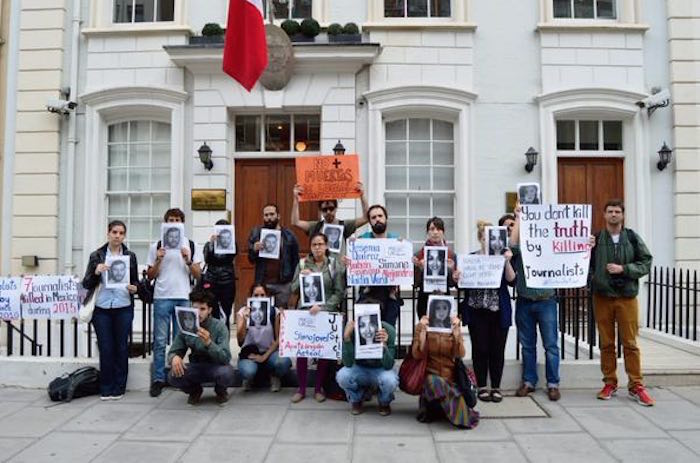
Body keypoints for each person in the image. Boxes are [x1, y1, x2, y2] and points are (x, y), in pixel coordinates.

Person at [590, 199, 654, 406]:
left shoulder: (632, 238)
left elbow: (646, 262)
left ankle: (636, 385)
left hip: (626, 297)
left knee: (630, 343)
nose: (614, 215)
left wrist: (624, 269)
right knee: (606, 343)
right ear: (604, 215)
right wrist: (587, 249)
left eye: (617, 211)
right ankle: (610, 382)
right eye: (610, 211)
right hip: (602, 297)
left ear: (623, 215)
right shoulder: (597, 239)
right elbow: (582, 263)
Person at [147, 208, 203, 397]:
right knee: (160, 340)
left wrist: (188, 260)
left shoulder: (191, 245)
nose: (174, 222)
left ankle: (178, 376)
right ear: (165, 222)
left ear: (182, 223)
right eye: (170, 220)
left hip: (183, 296)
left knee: (183, 339)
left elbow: (198, 275)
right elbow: (150, 276)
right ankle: (158, 379)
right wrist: (158, 260)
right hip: (162, 295)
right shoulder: (156, 246)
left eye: (177, 220)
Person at [81, 220, 139, 400]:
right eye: (114, 232)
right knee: (106, 348)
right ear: (108, 233)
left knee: (121, 347)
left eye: (121, 233)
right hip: (102, 307)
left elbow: (136, 280)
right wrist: (96, 271)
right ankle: (106, 387)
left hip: (123, 306)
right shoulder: (96, 255)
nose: (118, 236)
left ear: (124, 236)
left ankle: (119, 387)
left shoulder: (130, 255)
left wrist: (135, 288)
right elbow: (86, 284)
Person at [460, 220, 516, 403]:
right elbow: (461, 283)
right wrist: (457, 276)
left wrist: (507, 261)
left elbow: (512, 280)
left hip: (498, 311)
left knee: (497, 350)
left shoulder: (502, 258)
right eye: (485, 238)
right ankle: (482, 386)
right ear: (480, 239)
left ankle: (496, 387)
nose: (489, 241)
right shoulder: (471, 258)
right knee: (480, 349)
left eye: (492, 238)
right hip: (477, 311)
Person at [509, 204, 561, 401]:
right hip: (525, 301)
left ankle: (553, 384)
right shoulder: (525, 247)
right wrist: (519, 217)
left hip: (546, 301)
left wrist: (587, 243)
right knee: (527, 344)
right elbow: (512, 244)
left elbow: (572, 249)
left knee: (551, 345)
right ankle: (529, 381)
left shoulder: (554, 248)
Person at [289, 232, 346, 403]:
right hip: (305, 313)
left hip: (325, 313)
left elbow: (339, 292)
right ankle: (301, 389)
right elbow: (293, 288)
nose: (317, 248)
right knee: (302, 350)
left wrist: (323, 307)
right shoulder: (302, 263)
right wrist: (301, 278)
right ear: (310, 247)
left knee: (323, 351)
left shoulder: (333, 265)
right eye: (314, 245)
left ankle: (319, 388)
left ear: (327, 246)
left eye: (320, 244)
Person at [412, 313, 479, 429]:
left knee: (444, 385)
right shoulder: (424, 327)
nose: (441, 311)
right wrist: (421, 331)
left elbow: (460, 354)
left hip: (450, 382)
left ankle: (456, 411)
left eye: (444, 308)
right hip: (431, 384)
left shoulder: (451, 327)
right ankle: (460, 414)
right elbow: (417, 355)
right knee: (433, 381)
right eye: (437, 308)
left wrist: (457, 334)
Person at [168, 289, 234, 405]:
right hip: (196, 366)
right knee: (172, 376)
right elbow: (174, 350)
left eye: (202, 309)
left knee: (226, 373)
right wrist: (174, 357)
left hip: (215, 366)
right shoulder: (186, 326)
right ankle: (195, 391)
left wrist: (209, 343)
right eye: (195, 308)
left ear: (209, 310)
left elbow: (225, 357)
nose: (198, 313)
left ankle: (221, 391)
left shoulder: (219, 327)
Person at [337, 307, 398, 416]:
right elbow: (348, 363)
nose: (368, 330)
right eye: (363, 325)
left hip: (380, 369)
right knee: (342, 376)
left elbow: (389, 365)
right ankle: (356, 399)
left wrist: (384, 346)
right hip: (360, 368)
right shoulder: (352, 329)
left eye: (372, 324)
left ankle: (384, 401)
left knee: (391, 380)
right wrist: (346, 338)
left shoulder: (388, 330)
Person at [347, 204, 402, 326]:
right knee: (368, 330)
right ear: (370, 222)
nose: (377, 219)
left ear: (386, 218)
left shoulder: (396, 240)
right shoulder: (362, 240)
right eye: (373, 217)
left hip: (390, 293)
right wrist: (352, 252)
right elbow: (355, 266)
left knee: (388, 331)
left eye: (380, 216)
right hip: (368, 293)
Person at [237, 284, 291, 392]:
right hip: (250, 353)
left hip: (269, 352)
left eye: (262, 295)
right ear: (250, 296)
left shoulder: (274, 312)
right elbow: (240, 340)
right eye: (256, 295)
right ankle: (250, 378)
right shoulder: (242, 312)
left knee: (283, 362)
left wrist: (264, 357)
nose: (259, 298)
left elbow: (278, 339)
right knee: (248, 371)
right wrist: (244, 321)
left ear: (267, 297)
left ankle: (274, 376)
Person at [291, 182, 369, 254]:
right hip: (322, 268)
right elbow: (295, 222)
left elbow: (366, 218)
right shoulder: (315, 226)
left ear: (336, 208)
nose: (328, 212)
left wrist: (362, 196)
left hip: (339, 268)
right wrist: (296, 199)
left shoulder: (345, 225)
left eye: (331, 208)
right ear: (320, 211)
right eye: (325, 209)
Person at [247, 204, 300, 309]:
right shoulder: (256, 233)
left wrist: (294, 285)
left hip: (283, 284)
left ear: (278, 216)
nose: (269, 218)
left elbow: (296, 262)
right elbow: (251, 259)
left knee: (281, 316)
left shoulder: (289, 236)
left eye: (272, 214)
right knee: (263, 316)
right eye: (266, 215)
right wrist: (254, 249)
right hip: (263, 284)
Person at [413, 217, 457, 318]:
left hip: (444, 298)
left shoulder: (451, 255)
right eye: (432, 229)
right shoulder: (419, 255)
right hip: (425, 298)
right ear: (427, 232)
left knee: (443, 332)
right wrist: (419, 268)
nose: (435, 232)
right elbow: (415, 283)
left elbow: (452, 283)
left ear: (443, 232)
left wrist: (450, 270)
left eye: (439, 229)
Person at [202, 219, 236, 329]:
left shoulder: (232, 244)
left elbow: (232, 256)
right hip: (212, 280)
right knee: (212, 311)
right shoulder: (209, 245)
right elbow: (207, 259)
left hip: (227, 281)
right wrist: (212, 244)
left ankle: (224, 339)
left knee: (226, 313)